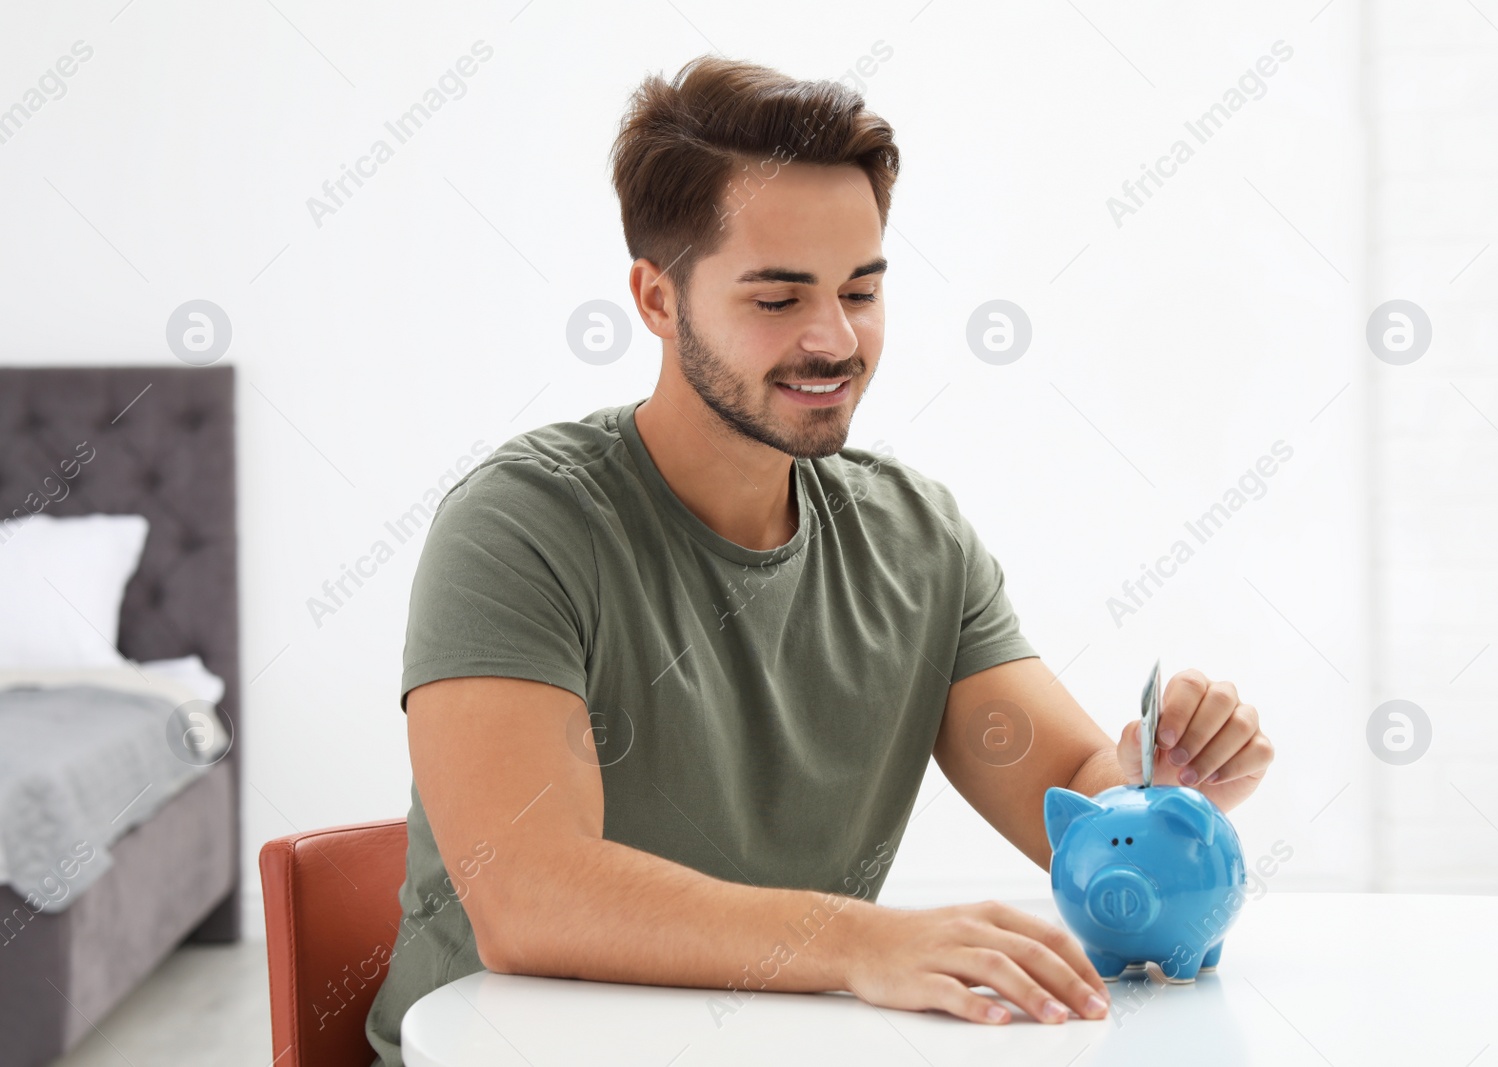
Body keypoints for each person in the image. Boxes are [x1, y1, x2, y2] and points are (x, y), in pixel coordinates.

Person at [365, 53, 1274, 1065]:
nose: (834, 339)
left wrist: (1161, 794)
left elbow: (1074, 791)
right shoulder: (521, 525)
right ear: (658, 300)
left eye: (861, 290)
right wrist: (861, 941)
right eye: (777, 297)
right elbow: (532, 896)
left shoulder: (915, 538)